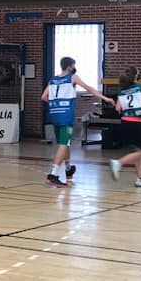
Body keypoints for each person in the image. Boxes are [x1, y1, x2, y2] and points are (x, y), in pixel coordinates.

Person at [41, 57, 115, 187]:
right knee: (63, 144)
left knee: (66, 143)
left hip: (54, 113)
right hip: (65, 115)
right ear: (70, 66)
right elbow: (89, 88)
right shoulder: (73, 77)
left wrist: (55, 103)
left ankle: (68, 169)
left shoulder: (53, 79)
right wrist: (106, 98)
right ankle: (53, 175)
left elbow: (43, 97)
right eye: (74, 65)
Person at [110, 66, 141, 187]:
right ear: (135, 75)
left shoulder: (122, 90)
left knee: (137, 151)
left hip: (125, 122)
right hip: (137, 122)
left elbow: (118, 108)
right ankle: (118, 163)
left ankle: (140, 178)